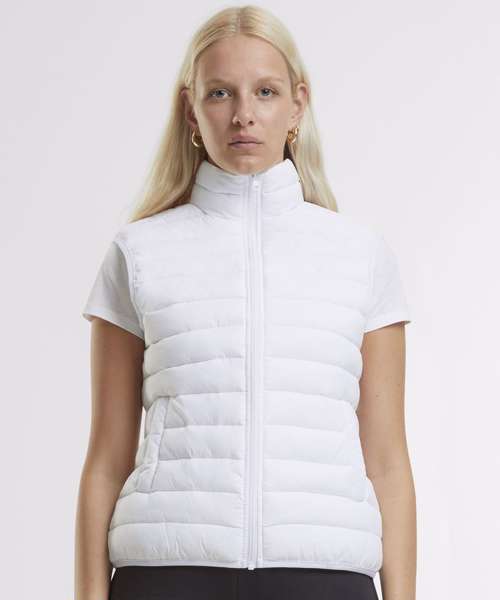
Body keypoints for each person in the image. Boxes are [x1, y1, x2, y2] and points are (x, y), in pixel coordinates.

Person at [74, 5, 417, 600]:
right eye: (219, 93)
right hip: (167, 573)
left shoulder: (361, 256)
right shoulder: (139, 253)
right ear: (191, 111)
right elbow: (106, 456)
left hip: (325, 575)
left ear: (297, 105)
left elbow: (388, 459)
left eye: (265, 91)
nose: (243, 115)